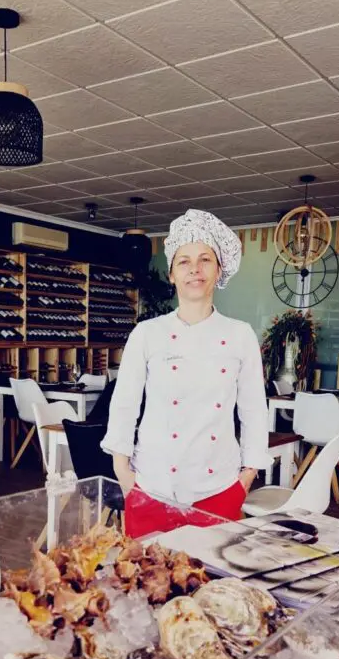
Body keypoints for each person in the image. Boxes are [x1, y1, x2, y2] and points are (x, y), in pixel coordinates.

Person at [101, 209, 271, 539]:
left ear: (219, 270)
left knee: (213, 572)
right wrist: (124, 474)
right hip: (151, 486)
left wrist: (246, 477)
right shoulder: (147, 333)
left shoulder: (240, 334)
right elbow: (124, 406)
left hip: (218, 488)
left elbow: (253, 410)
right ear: (172, 274)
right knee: (145, 571)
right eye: (184, 261)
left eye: (205, 259)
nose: (195, 269)